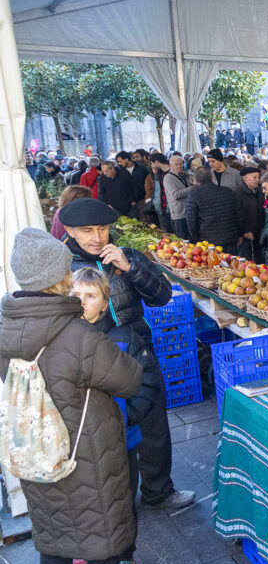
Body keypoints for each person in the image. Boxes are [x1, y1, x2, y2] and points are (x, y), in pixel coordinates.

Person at [0, 230, 143, 564]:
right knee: (100, 549)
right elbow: (129, 379)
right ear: (58, 277)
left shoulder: (5, 329)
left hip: (36, 455)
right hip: (86, 458)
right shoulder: (78, 335)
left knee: (52, 544)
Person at [57, 199, 194, 512]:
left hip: (138, 355)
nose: (97, 237)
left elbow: (162, 295)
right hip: (93, 363)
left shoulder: (126, 256)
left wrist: (130, 268)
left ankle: (158, 490)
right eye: (87, 230)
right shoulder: (63, 268)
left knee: (153, 425)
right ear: (70, 231)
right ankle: (114, 503)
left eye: (103, 229)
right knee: (103, 433)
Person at [69, 267, 163, 564]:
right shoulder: (63, 340)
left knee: (121, 500)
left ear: (105, 300)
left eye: (90, 295)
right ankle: (82, 549)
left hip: (121, 441)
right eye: (75, 295)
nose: (82, 302)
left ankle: (125, 559)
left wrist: (127, 418)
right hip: (77, 442)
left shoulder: (125, 339)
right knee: (81, 499)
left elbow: (148, 379)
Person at [186, 167, 243, 249]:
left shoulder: (194, 195)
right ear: (212, 178)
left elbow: (191, 221)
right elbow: (239, 215)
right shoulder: (228, 191)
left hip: (208, 241)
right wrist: (240, 234)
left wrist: (196, 239)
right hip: (230, 237)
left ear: (196, 180)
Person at [235, 166, 264, 261]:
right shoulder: (238, 193)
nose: (257, 180)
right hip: (246, 236)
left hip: (259, 232)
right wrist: (244, 231)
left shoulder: (260, 191)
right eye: (254, 177)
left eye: (258, 177)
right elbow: (238, 214)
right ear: (245, 178)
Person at [162, 154, 191, 241]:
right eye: (176, 164)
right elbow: (175, 194)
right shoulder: (168, 178)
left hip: (188, 212)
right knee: (183, 240)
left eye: (181, 164)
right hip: (179, 214)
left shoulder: (184, 175)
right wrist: (191, 188)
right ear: (171, 165)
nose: (179, 166)